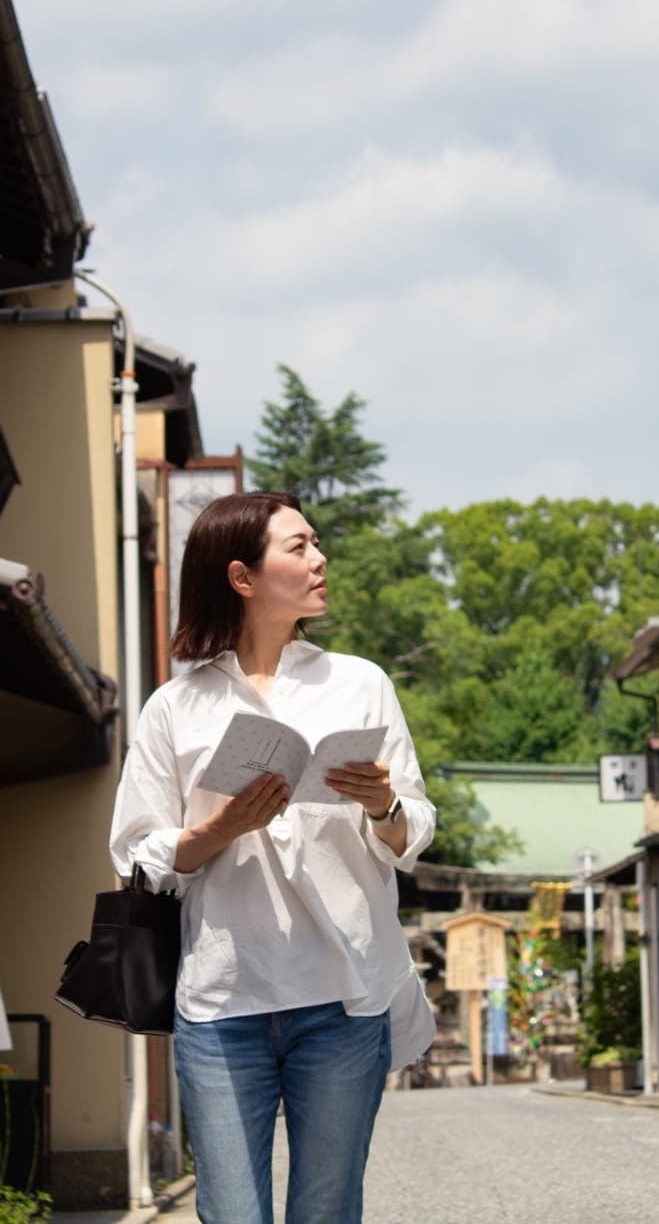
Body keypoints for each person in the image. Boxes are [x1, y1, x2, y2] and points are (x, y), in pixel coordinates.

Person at [110, 490, 435, 1224]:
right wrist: (214, 830)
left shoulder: (359, 683)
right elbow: (132, 853)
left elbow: (415, 830)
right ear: (242, 577)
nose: (320, 559)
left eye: (317, 543)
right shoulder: (176, 706)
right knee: (232, 1216)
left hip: (344, 997)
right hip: (224, 1005)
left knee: (326, 1212)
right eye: (299, 547)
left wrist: (382, 804)